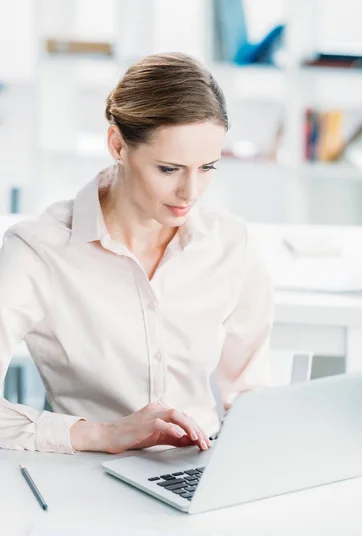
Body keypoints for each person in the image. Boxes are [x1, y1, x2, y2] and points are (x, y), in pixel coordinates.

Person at [0, 53, 273, 455]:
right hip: (84, 479)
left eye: (208, 167)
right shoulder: (40, 251)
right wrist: (105, 435)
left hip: (201, 472)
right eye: (169, 169)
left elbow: (253, 399)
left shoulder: (232, 245)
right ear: (118, 145)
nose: (191, 193)